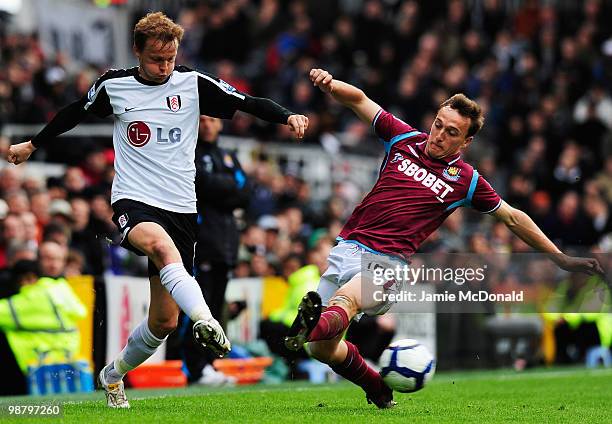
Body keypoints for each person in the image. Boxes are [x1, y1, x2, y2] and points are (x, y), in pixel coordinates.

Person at [6, 12, 308, 408]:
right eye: (155, 60)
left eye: (170, 58)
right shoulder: (115, 85)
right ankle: (208, 322)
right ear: (138, 51)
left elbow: (247, 102)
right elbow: (75, 112)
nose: (164, 67)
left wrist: (288, 115)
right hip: (134, 199)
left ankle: (112, 374)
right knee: (164, 251)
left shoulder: (192, 83)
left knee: (163, 322)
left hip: (181, 208)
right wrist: (33, 144)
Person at [285, 68, 603, 409]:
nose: (438, 135)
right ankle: (376, 385)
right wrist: (331, 84)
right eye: (438, 123)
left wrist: (561, 258)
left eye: (451, 132)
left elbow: (513, 217)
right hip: (347, 247)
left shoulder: (465, 180)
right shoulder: (403, 139)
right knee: (322, 350)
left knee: (344, 303)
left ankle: (310, 327)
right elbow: (360, 100)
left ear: (465, 142)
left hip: (387, 264)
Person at [167, 115, 249, 385]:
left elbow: (245, 191)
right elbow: (200, 183)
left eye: (213, 120)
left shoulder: (227, 156)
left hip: (226, 245)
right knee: (198, 308)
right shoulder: (189, 153)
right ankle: (194, 366)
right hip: (201, 243)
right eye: (202, 120)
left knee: (215, 308)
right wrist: (225, 187)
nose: (208, 125)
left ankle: (208, 365)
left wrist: (219, 186)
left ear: (221, 124)